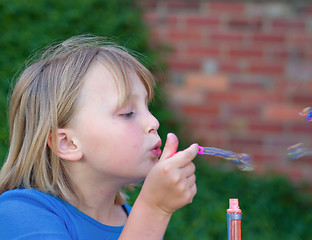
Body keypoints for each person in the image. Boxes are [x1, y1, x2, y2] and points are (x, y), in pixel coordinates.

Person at [0, 35, 198, 239]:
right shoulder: (20, 214)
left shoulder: (134, 219)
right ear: (68, 143)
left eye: (147, 107)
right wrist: (154, 209)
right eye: (128, 113)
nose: (153, 122)